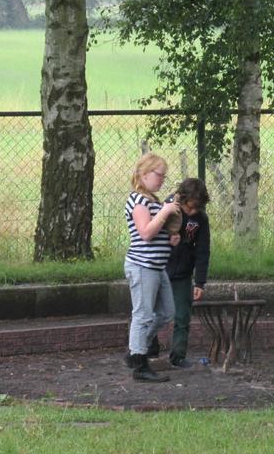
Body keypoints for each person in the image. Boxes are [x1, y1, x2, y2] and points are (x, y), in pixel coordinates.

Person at [124, 153, 181, 383]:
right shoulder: (139, 201)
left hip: (157, 267)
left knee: (167, 312)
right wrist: (165, 211)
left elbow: (156, 234)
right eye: (159, 175)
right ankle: (139, 364)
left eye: (164, 176)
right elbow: (146, 233)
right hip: (142, 266)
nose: (162, 180)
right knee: (143, 315)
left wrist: (170, 238)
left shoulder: (154, 201)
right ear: (144, 174)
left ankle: (135, 349)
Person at [165, 178, 212, 369]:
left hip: (184, 274)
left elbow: (203, 250)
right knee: (151, 313)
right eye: (190, 207)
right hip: (160, 268)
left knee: (182, 316)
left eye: (197, 208)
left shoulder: (201, 219)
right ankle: (148, 352)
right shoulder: (168, 209)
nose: (192, 212)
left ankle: (178, 356)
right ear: (182, 199)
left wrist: (200, 282)